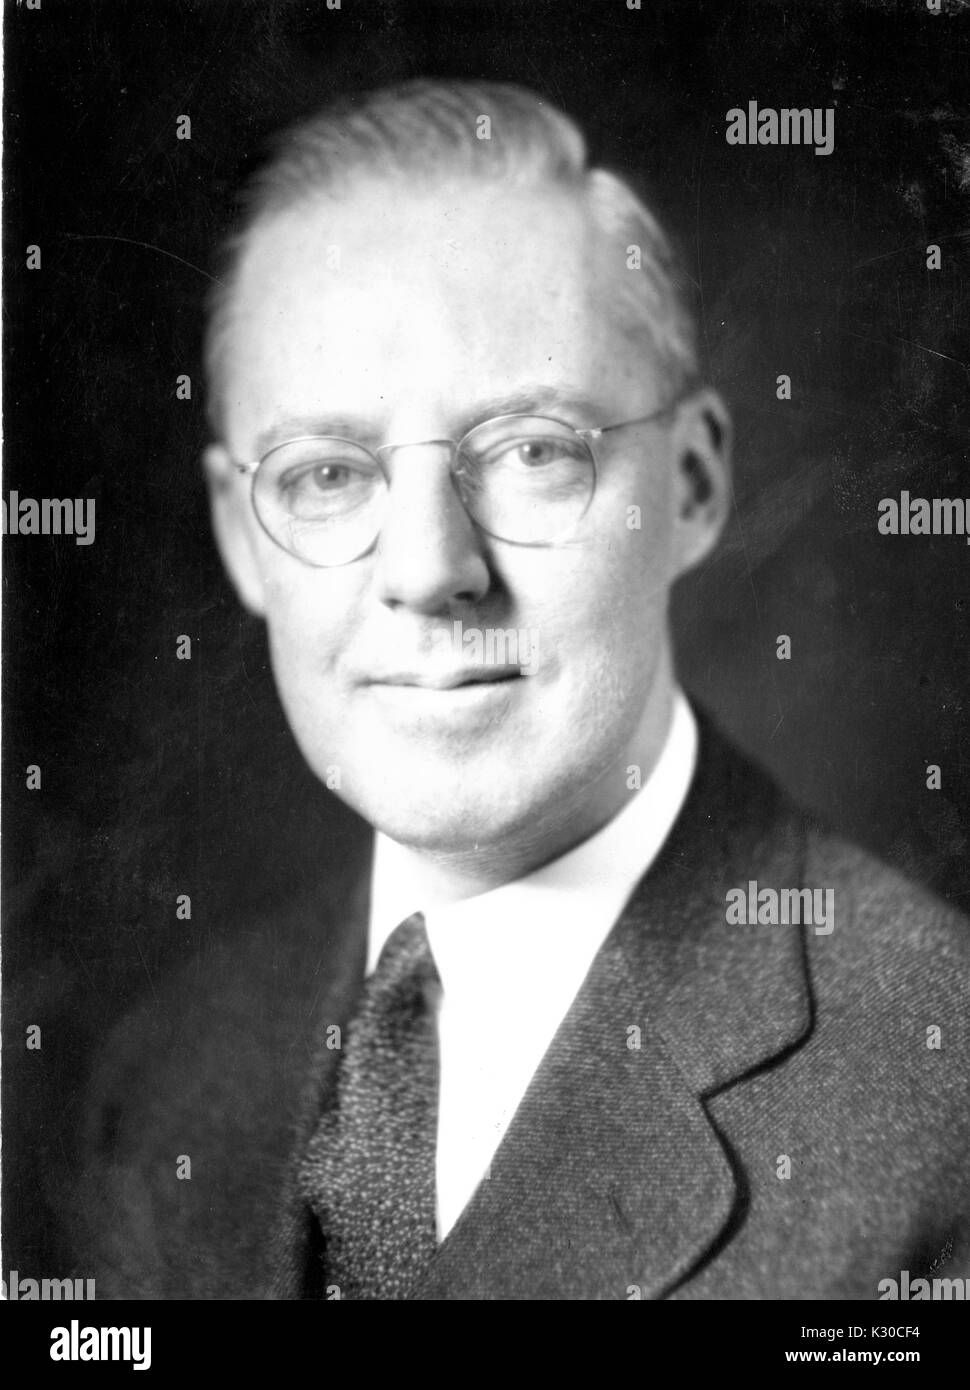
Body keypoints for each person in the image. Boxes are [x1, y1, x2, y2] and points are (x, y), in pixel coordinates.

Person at [73, 79, 969, 1300]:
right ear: (242, 537)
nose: (431, 567)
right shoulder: (166, 1071)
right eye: (327, 474)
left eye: (534, 452)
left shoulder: (941, 1088)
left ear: (694, 485)